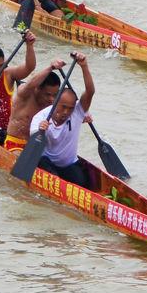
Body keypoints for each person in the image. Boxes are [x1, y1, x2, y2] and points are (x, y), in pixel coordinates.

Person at [20, 53, 102, 190]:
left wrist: (84, 66)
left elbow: (90, 91)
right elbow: (33, 144)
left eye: (70, 108)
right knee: (47, 167)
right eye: (63, 107)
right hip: (45, 162)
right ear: (55, 102)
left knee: (82, 183)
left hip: (68, 164)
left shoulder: (77, 112)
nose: (66, 112)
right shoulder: (40, 118)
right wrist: (41, 130)